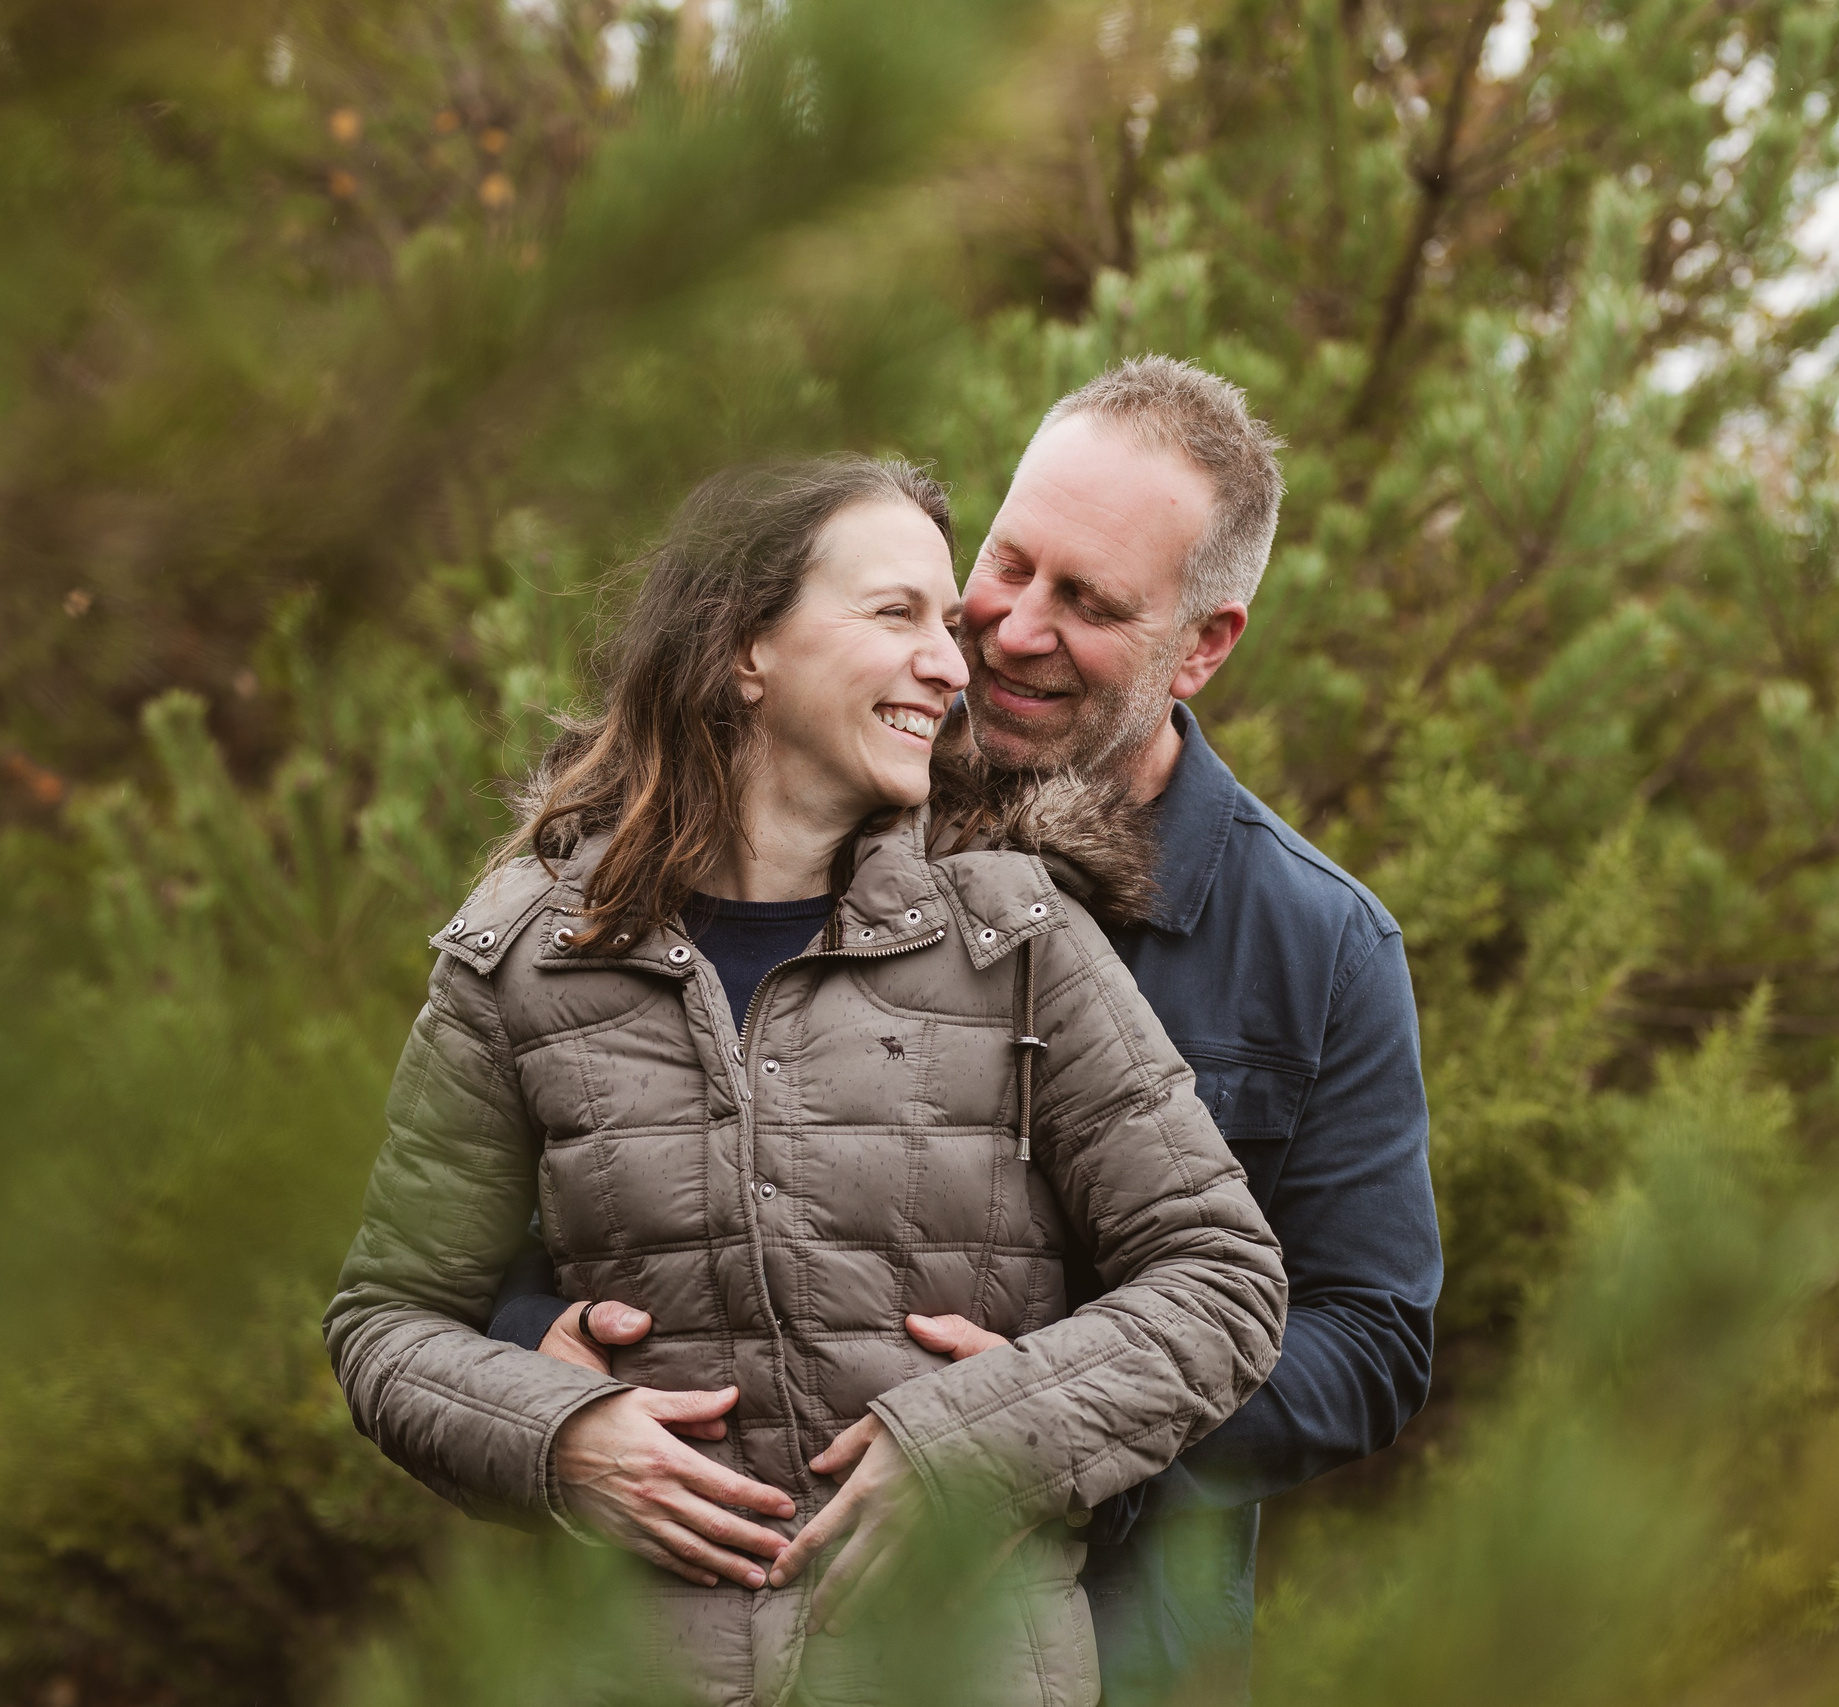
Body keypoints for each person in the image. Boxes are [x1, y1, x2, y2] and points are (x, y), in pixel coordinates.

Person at [503, 359, 1442, 1704]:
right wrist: (543, 1355)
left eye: (1091, 602)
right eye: (1009, 561)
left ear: (1205, 642)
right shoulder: (794, 802)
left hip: (1117, 1656)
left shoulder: (1319, 944)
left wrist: (1058, 1424)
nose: (1009, 628)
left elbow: (1369, 1338)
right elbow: (525, 1183)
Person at [324, 455, 1289, 1707]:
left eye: (948, 627)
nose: (954, 666)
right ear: (741, 650)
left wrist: (985, 1444)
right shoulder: (520, 955)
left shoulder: (1015, 935)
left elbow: (1220, 1278)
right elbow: (384, 1320)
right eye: (896, 616)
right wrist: (557, 1438)